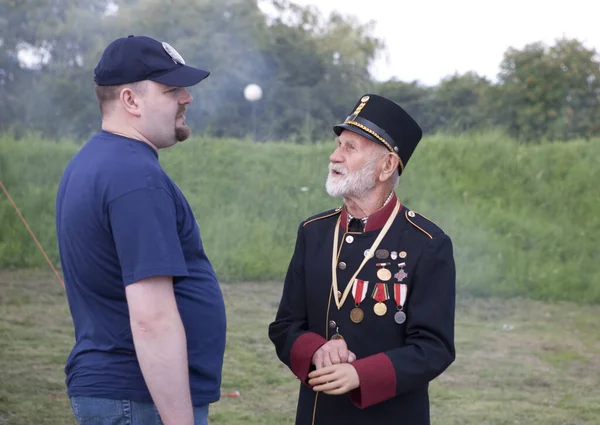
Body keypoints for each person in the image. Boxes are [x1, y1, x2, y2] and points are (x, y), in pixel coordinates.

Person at [55, 35, 226, 425]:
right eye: (171, 90)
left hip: (126, 395)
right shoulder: (135, 178)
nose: (187, 98)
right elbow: (152, 318)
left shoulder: (96, 161)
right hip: (138, 400)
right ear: (130, 100)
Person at [268, 94, 456, 425]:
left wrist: (361, 375)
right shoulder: (314, 232)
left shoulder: (427, 243)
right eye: (339, 144)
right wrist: (315, 350)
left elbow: (434, 348)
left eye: (350, 148)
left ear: (386, 166)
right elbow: (285, 326)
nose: (334, 156)